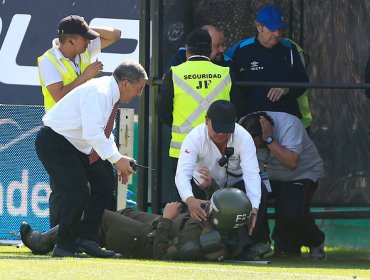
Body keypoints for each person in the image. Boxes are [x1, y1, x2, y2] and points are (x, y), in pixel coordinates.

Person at [35, 61, 148, 258]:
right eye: (138, 89)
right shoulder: (100, 92)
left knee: (104, 182)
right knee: (77, 191)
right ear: (125, 83)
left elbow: (104, 134)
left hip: (75, 144)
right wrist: (115, 160)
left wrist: (119, 158)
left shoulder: (109, 94)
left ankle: (88, 240)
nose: (139, 94)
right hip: (55, 142)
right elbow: (93, 133)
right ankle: (65, 247)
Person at [38, 15, 121, 228]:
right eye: (84, 38)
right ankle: (55, 238)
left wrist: (85, 28)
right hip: (61, 135)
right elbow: (59, 96)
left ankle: (89, 237)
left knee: (101, 182)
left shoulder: (82, 50)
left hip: (85, 135)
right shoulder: (48, 60)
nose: (89, 42)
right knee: (63, 190)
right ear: (71, 41)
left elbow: (116, 35)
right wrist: (85, 76)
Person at [20, 188, 255, 261]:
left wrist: (166, 218)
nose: (206, 207)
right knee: (123, 211)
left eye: (210, 208)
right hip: (155, 226)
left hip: (146, 239)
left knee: (98, 216)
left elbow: (162, 254)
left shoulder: (202, 241)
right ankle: (75, 243)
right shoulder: (224, 227)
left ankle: (42, 242)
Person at [174, 100, 271, 260]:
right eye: (217, 128)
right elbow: (182, 174)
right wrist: (190, 200)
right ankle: (202, 245)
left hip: (236, 188)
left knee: (259, 191)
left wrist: (253, 207)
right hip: (204, 187)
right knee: (188, 196)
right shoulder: (194, 138)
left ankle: (245, 247)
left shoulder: (243, 138)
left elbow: (252, 175)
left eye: (226, 129)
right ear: (206, 120)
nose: (221, 134)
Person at [156, 28, 237, 187]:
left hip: (183, 150)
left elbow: (162, 107)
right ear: (209, 51)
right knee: (218, 201)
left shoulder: (174, 73)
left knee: (188, 200)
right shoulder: (225, 73)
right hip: (218, 148)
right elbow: (238, 106)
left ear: (187, 52)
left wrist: (174, 123)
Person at [239, 111, 326, 260]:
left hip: (300, 175)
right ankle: (260, 242)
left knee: (293, 214)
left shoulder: (290, 125)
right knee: (248, 198)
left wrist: (269, 140)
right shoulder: (241, 128)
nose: (255, 148)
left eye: (258, 145)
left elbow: (292, 163)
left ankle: (315, 241)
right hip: (264, 176)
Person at [225, 4, 309, 119]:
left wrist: (286, 89)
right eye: (273, 29)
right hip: (252, 119)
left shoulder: (289, 48)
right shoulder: (241, 50)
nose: (277, 34)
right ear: (259, 27)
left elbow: (303, 82)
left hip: (286, 116)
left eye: (280, 29)